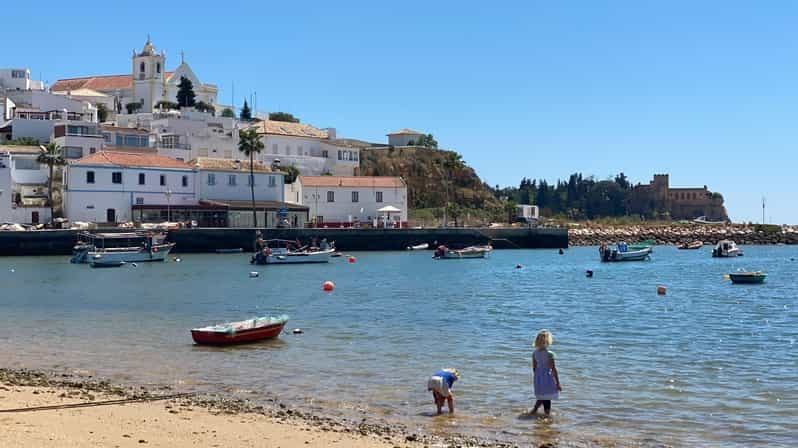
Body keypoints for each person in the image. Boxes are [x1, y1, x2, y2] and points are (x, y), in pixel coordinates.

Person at [531, 330, 561, 415]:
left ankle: (534, 410)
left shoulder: (534, 353)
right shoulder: (550, 354)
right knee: (547, 398)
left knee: (542, 396)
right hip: (547, 377)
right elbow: (553, 369)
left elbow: (534, 368)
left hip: (538, 377)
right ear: (548, 341)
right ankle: (547, 415)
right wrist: (558, 383)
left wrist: (537, 378)